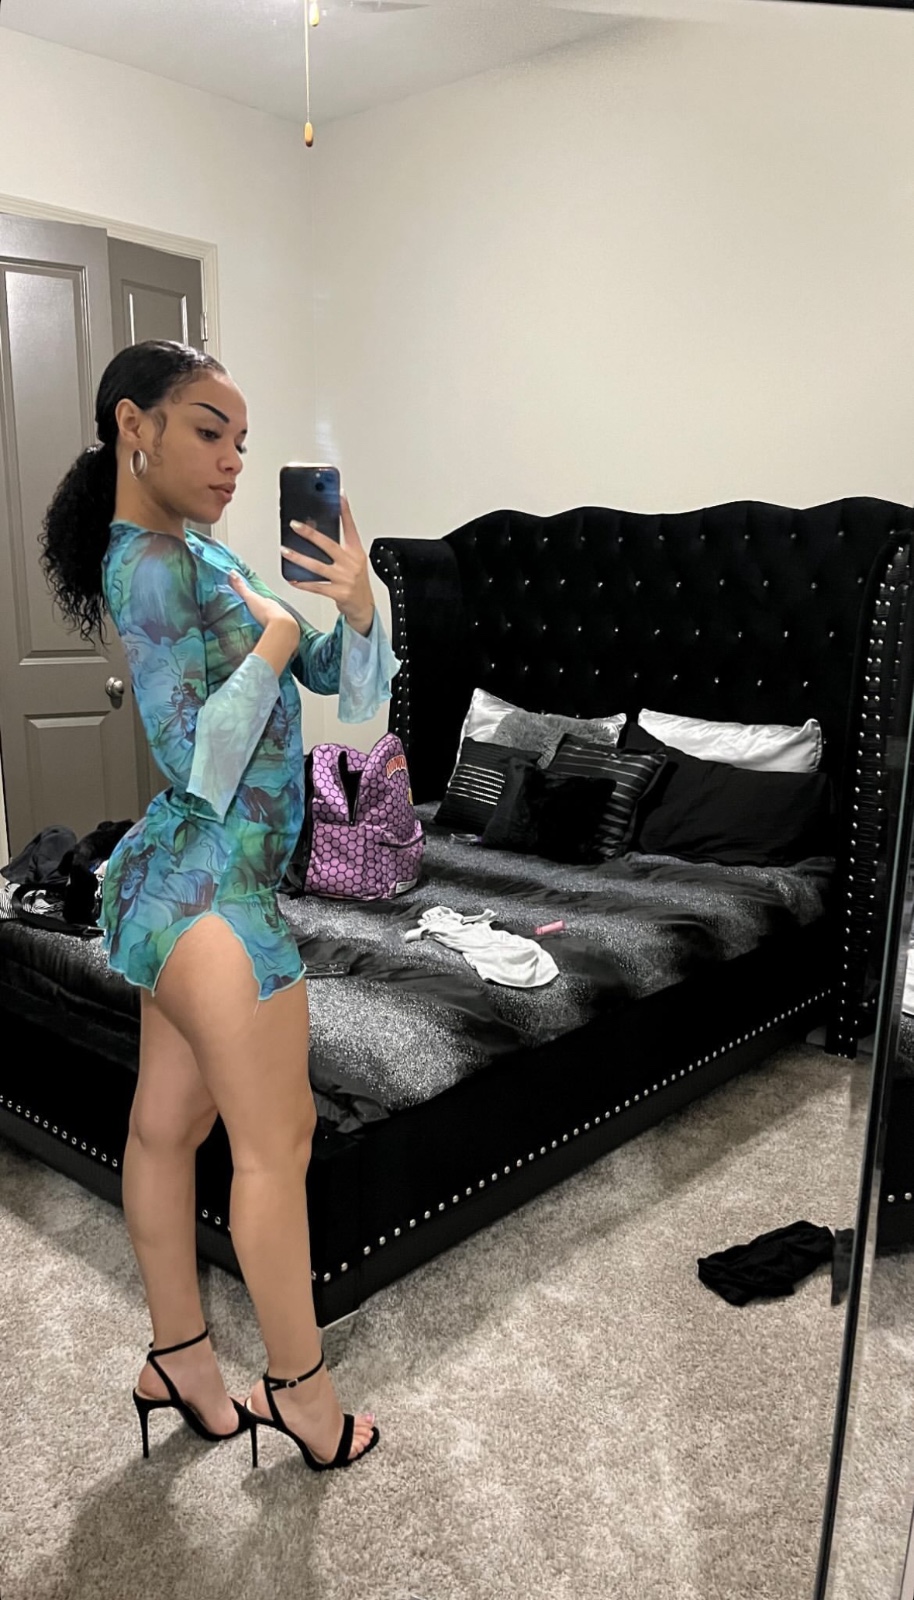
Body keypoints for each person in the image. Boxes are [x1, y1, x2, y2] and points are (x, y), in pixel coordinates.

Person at [40, 338, 395, 1473]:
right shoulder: (149, 564)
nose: (234, 459)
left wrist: (358, 605)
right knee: (276, 1143)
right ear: (133, 426)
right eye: (209, 431)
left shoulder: (201, 550)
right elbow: (199, 755)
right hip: (213, 889)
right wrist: (282, 638)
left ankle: (180, 1361)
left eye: (242, 439)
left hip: (181, 885)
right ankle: (300, 1393)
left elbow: (349, 696)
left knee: (167, 1127)